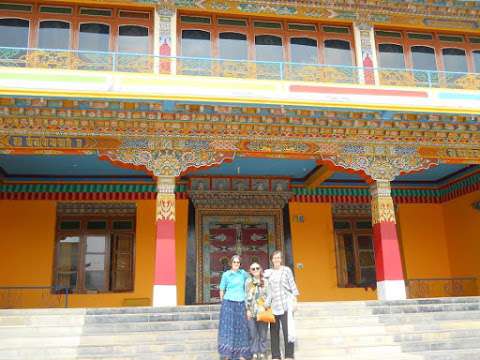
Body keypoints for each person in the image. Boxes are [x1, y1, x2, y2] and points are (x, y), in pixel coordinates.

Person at [264, 250, 299, 360]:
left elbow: (292, 284)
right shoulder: (268, 273)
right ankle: (276, 355)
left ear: (281, 259)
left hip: (286, 304)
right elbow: (267, 290)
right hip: (273, 305)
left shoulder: (286, 270)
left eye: (278, 257)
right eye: (274, 258)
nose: (277, 259)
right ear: (271, 260)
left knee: (287, 330)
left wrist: (295, 300)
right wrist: (266, 303)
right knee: (274, 332)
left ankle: (289, 355)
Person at [217, 254, 251, 360]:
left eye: (238, 262)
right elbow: (222, 289)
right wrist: (223, 302)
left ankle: (241, 354)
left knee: (241, 328)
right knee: (227, 329)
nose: (236, 264)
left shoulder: (243, 274)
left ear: (240, 264)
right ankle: (227, 354)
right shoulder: (226, 275)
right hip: (228, 303)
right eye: (234, 262)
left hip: (241, 303)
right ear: (231, 263)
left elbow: (252, 280)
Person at [245, 262, 271, 360]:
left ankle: (262, 351)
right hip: (251, 311)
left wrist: (265, 305)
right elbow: (246, 296)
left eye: (257, 268)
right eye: (253, 269)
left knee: (263, 333)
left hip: (262, 310)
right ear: (250, 271)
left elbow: (269, 295)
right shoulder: (248, 282)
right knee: (252, 333)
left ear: (260, 269)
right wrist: (247, 309)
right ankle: (254, 352)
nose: (255, 270)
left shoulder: (265, 281)